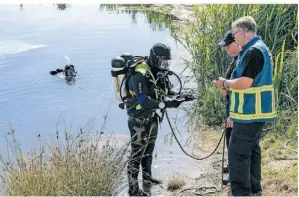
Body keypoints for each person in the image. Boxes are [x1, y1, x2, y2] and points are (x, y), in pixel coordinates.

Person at [213, 16, 276, 196]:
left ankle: (241, 193)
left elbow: (245, 83)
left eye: (234, 34)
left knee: (237, 156)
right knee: (252, 151)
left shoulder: (253, 51)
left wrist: (224, 83)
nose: (234, 38)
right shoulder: (258, 49)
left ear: (242, 32)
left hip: (249, 114)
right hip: (255, 113)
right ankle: (255, 190)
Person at [125, 43, 189, 196]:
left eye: (167, 63)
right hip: (138, 119)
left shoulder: (159, 72)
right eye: (163, 62)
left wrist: (181, 96)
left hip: (153, 116)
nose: (165, 66)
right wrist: (167, 103)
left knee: (149, 149)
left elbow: (165, 90)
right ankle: (133, 189)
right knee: (137, 152)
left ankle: (147, 179)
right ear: (155, 58)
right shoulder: (140, 73)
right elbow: (144, 101)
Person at [218, 30, 241, 150]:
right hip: (231, 106)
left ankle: (233, 166)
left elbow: (240, 89)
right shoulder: (237, 59)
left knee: (232, 138)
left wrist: (232, 115)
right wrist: (223, 86)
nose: (226, 50)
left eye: (228, 46)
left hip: (235, 110)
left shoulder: (240, 62)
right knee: (230, 136)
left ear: (237, 43)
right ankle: (232, 164)